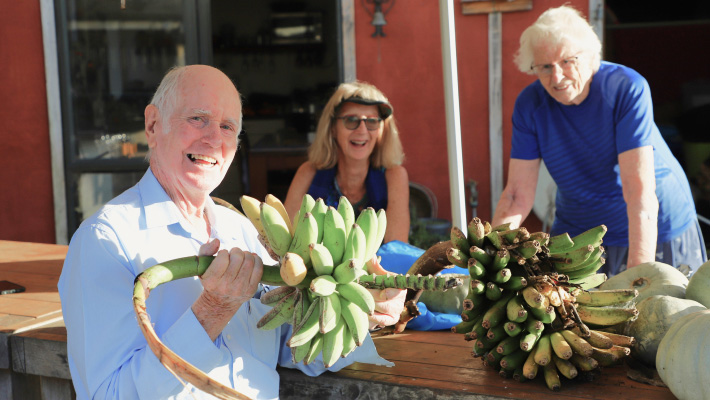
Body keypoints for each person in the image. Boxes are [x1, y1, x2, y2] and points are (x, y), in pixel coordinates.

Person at [58, 65, 405, 400]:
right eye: (198, 119)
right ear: (153, 125)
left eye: (227, 126)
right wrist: (210, 312)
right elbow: (108, 395)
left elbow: (295, 348)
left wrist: (361, 315)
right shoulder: (105, 242)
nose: (213, 140)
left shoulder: (242, 229)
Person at [491, 6, 706, 276]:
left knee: (659, 313)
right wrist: (492, 256)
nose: (556, 77)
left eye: (567, 61)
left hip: (651, 226)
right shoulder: (530, 104)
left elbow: (638, 192)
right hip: (581, 229)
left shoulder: (626, 88)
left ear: (591, 56)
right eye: (545, 66)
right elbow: (515, 196)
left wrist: (640, 275)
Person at [284, 81, 410, 243]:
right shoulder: (308, 172)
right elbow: (288, 239)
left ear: (382, 131)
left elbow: (396, 244)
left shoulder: (394, 176)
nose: (362, 130)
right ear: (333, 128)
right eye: (351, 120)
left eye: (372, 121)